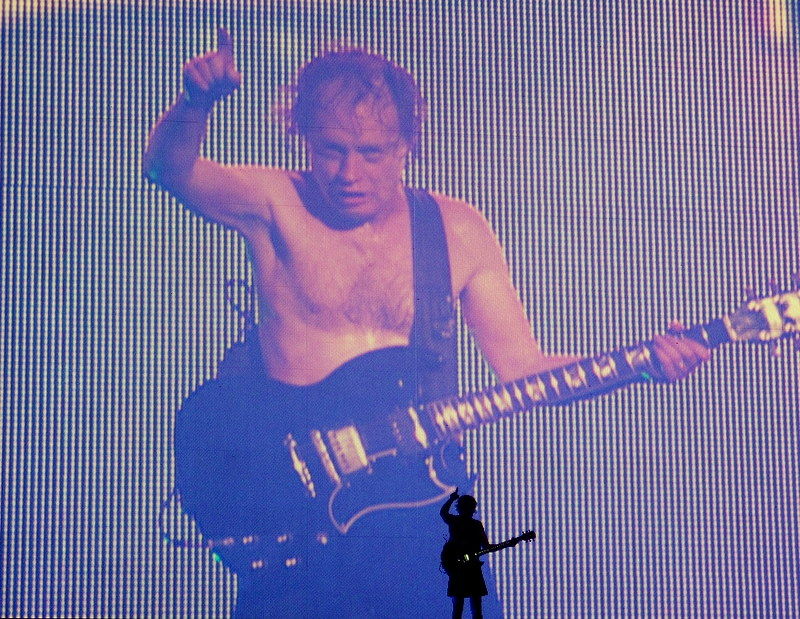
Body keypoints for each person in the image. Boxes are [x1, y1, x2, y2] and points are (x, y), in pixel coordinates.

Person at [144, 28, 711, 617]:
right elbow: (167, 170)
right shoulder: (276, 201)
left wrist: (642, 364)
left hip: (422, 514)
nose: (349, 172)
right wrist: (195, 103)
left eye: (372, 153)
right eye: (332, 150)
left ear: (406, 147)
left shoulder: (458, 229)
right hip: (301, 517)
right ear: (303, 138)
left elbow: (524, 368)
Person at [440, 489, 490, 618]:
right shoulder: (475, 525)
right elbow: (487, 546)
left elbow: (443, 513)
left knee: (459, 607)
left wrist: (451, 499)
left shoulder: (455, 521)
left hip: (461, 568)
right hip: (470, 568)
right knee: (475, 608)